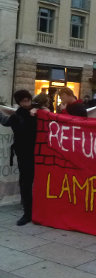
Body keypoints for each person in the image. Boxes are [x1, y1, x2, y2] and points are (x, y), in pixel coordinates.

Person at [0, 90, 38, 225]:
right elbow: (5, 121)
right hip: (24, 155)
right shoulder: (17, 116)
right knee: (25, 183)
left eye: (28, 100)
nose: (26, 103)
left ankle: (37, 210)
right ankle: (27, 212)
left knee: (38, 183)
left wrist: (39, 111)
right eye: (23, 101)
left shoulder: (39, 110)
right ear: (19, 103)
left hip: (39, 154)